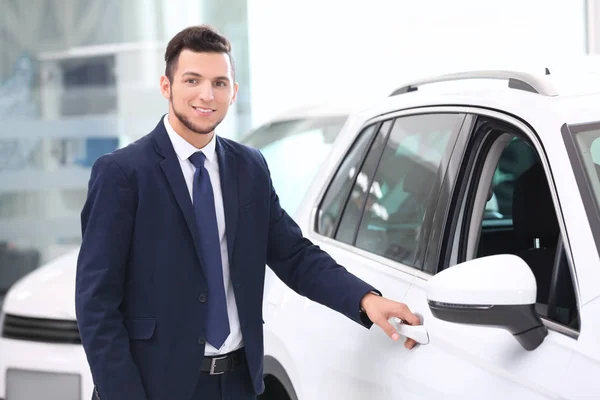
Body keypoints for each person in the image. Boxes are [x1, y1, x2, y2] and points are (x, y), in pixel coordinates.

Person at [75, 25, 421, 400]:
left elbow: (294, 255)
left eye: (219, 83)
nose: (207, 95)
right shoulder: (123, 173)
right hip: (154, 387)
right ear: (166, 86)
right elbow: (96, 303)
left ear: (233, 92)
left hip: (238, 383)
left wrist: (366, 300)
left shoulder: (249, 167)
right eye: (192, 80)